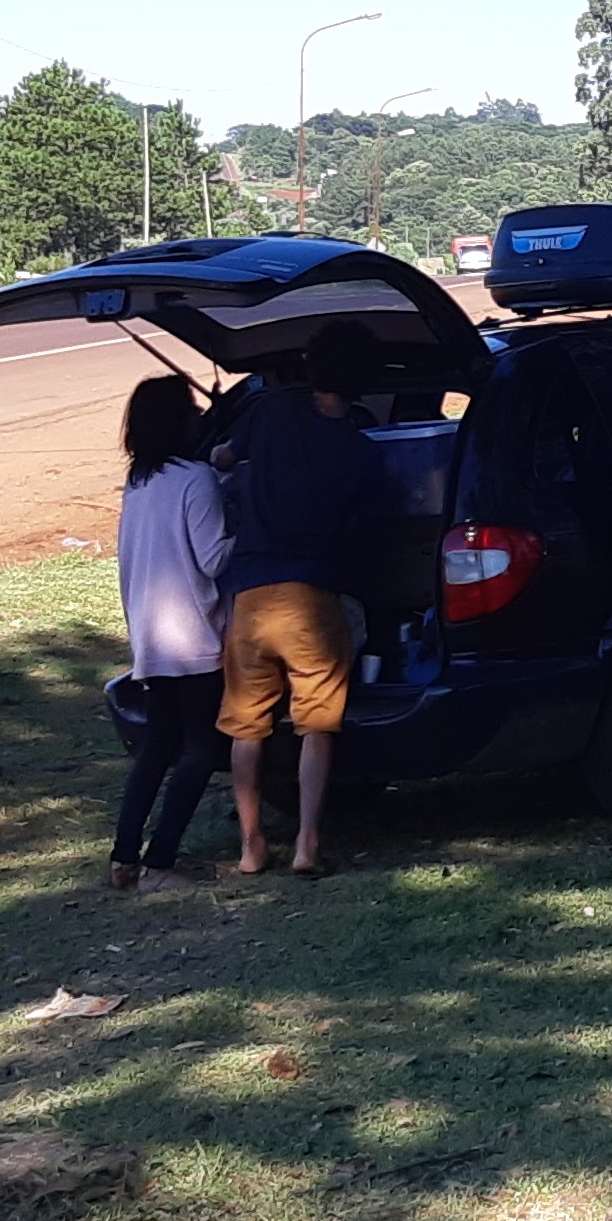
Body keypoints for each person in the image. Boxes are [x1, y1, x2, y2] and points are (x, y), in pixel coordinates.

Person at [213, 316, 394, 878]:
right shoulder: (363, 454)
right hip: (313, 597)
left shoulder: (270, 411)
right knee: (316, 724)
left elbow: (222, 459)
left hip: (250, 597)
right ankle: (307, 844)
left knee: (246, 726)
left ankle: (250, 847)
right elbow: (368, 533)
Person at [107, 374, 230, 886]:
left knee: (158, 746)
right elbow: (214, 557)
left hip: (151, 636)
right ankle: (160, 863)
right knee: (202, 749)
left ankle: (123, 856)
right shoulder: (196, 479)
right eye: (192, 410)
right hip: (195, 636)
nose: (198, 417)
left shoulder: (139, 483)